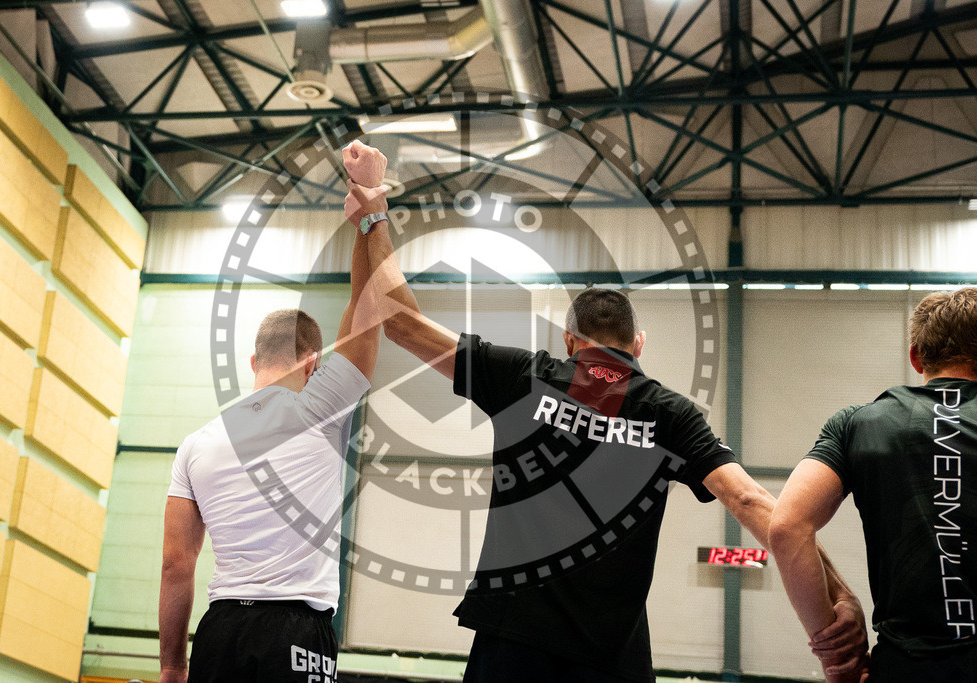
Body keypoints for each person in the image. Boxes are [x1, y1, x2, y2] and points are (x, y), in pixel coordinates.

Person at [341, 140, 867, 683]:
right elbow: (753, 500)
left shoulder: (525, 377)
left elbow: (399, 323)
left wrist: (372, 203)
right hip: (611, 654)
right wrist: (839, 595)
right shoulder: (670, 413)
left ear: (571, 342)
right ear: (638, 344)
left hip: (513, 641)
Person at [157, 153, 388, 682]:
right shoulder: (320, 407)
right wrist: (367, 217)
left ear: (255, 361)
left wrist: (172, 665)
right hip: (294, 633)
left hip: (218, 632)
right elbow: (367, 308)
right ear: (313, 364)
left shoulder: (196, 444)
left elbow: (176, 564)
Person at [771, 287, 977, 683]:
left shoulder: (857, 424)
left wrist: (837, 655)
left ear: (916, 356)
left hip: (905, 667)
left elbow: (786, 527)